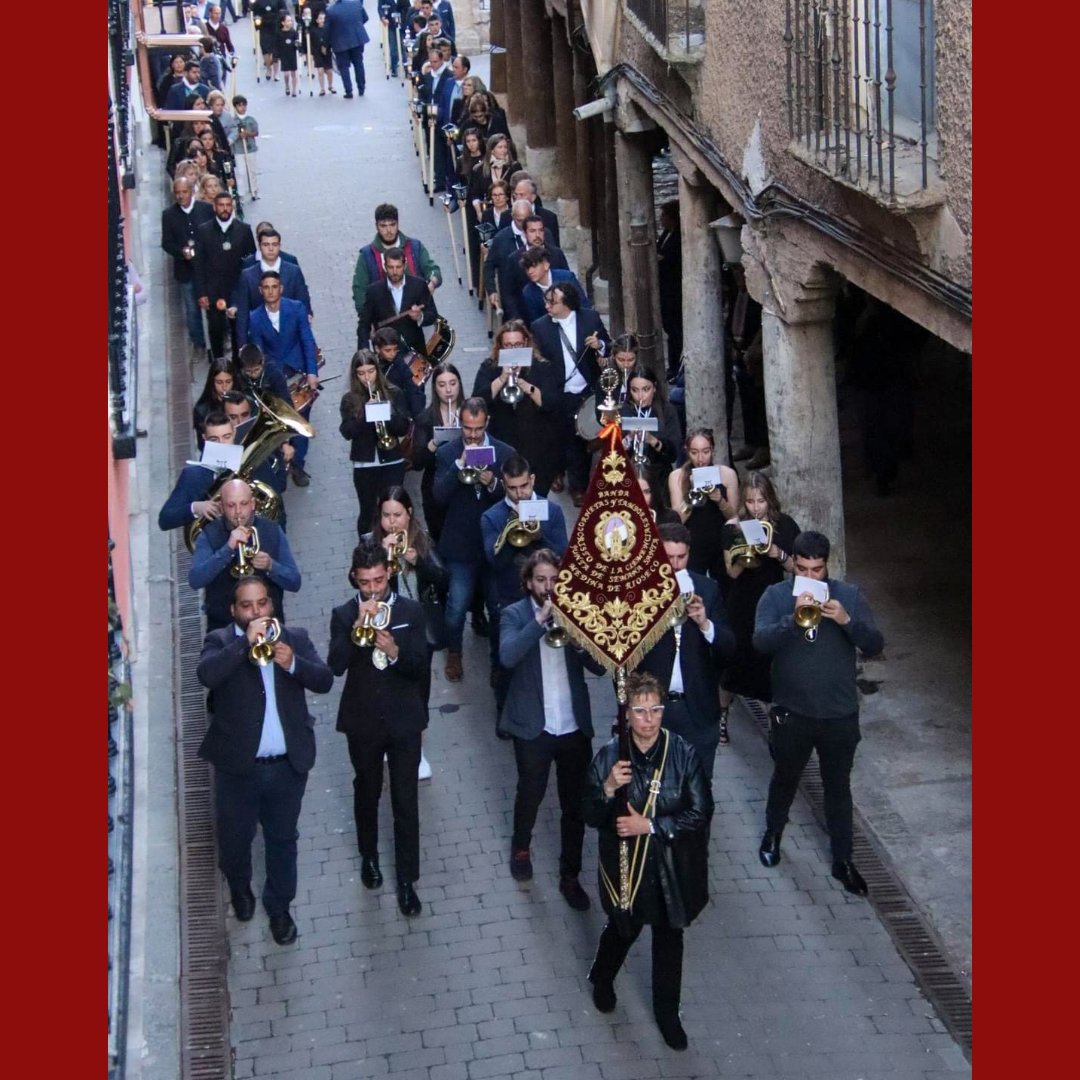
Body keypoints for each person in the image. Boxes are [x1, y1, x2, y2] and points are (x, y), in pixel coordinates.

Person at [196, 576, 333, 944]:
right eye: (247, 605)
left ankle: (279, 909)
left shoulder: (295, 638)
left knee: (283, 840)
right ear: (234, 610)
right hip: (238, 769)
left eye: (261, 604)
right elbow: (206, 674)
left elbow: (324, 680)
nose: (256, 612)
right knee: (235, 841)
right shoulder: (220, 641)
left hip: (287, 767)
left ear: (271, 605)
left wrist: (293, 665)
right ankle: (240, 887)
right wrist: (244, 647)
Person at [583, 670, 713, 1051]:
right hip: (628, 868)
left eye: (656, 709)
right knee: (623, 928)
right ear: (627, 716)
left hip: (672, 867)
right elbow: (589, 814)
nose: (649, 718)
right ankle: (603, 977)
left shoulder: (683, 753)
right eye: (640, 711)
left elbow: (701, 811)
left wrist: (651, 826)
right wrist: (607, 788)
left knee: (670, 939)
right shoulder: (610, 756)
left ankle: (667, 1012)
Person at [754, 531, 884, 895]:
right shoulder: (776, 596)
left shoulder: (848, 596)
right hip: (792, 712)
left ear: (827, 565)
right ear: (793, 565)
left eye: (818, 569)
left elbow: (874, 644)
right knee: (785, 778)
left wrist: (846, 621)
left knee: (838, 788)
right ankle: (773, 835)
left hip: (838, 713)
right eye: (803, 569)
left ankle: (843, 859)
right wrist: (792, 620)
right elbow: (760, 643)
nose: (811, 577)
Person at [498, 549, 605, 908]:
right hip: (534, 725)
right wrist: (540, 620)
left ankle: (570, 875)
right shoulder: (514, 614)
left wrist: (578, 639)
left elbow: (601, 667)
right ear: (529, 582)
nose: (549, 587)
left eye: (555, 580)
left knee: (574, 804)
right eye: (541, 580)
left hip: (572, 725)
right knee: (531, 792)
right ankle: (521, 847)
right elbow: (508, 655)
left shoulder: (577, 612)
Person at [328, 542, 428, 916]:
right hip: (364, 719)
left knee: (405, 800)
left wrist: (396, 651)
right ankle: (369, 856)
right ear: (355, 577)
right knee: (367, 790)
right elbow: (335, 665)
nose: (373, 589)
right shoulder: (342, 614)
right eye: (366, 582)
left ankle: (407, 880)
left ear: (389, 574)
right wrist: (357, 631)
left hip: (403, 719)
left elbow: (420, 665)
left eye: (379, 580)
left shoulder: (410, 611)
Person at [633, 522, 734, 785]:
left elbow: (729, 649)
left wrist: (704, 624)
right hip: (653, 710)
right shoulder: (639, 590)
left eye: (682, 557)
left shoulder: (707, 589)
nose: (676, 565)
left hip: (697, 710)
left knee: (698, 790)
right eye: (669, 558)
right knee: (652, 787)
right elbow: (623, 655)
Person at [433, 397, 514, 682]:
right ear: (460, 423)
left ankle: (496, 663)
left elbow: (514, 498)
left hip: (495, 547)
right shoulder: (447, 453)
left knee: (497, 608)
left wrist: (492, 482)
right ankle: (454, 653)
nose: (472, 435)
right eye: (468, 428)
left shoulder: (504, 453)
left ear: (487, 423)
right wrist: (459, 467)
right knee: (455, 608)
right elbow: (438, 498)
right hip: (461, 545)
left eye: (478, 429)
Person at [720, 471, 801, 738]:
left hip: (773, 598)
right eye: (751, 501)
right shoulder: (734, 526)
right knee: (735, 659)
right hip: (743, 600)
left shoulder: (785, 526)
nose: (756, 507)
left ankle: (775, 725)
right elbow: (731, 573)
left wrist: (777, 553)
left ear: (770, 501)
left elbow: (797, 568)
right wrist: (747, 551)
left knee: (770, 662)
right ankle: (722, 714)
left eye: (761, 501)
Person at [530, 283, 611, 506]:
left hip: (586, 390)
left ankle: (578, 486)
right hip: (560, 391)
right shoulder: (540, 327)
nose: (546, 305)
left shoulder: (590, 319)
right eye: (546, 301)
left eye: (551, 301)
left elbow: (609, 345)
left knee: (581, 439)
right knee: (562, 437)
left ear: (566, 303)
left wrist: (600, 345)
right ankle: (560, 472)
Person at [189, 478, 301, 631]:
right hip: (223, 629)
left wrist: (271, 566)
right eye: (231, 505)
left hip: (269, 625)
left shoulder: (272, 530)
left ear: (253, 503)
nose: (238, 512)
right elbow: (195, 580)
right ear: (221, 507)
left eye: (244, 504)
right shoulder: (209, 534)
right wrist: (227, 549)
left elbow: (295, 582)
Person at [246, 271, 320, 486]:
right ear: (261, 291)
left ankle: (298, 464)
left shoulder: (296, 308)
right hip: (275, 379)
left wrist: (312, 372)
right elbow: (259, 351)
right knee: (282, 423)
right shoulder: (254, 317)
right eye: (266, 287)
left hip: (299, 373)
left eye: (274, 286)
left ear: (281, 288)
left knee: (301, 421)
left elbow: (307, 340)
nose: (271, 291)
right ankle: (286, 458)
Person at [469, 321, 560, 492]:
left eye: (518, 345)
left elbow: (552, 403)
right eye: (508, 346)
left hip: (536, 450)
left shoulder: (542, 367)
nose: (513, 350)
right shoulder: (490, 367)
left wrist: (529, 388)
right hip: (503, 445)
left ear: (526, 343)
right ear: (501, 347)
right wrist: (502, 378)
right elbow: (477, 402)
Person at [339, 350, 411, 536]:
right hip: (365, 463)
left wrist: (385, 413)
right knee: (368, 511)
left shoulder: (394, 393)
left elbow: (403, 428)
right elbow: (346, 432)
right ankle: (368, 549)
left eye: (370, 371)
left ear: (377, 371)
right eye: (361, 373)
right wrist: (365, 414)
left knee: (393, 507)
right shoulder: (349, 399)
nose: (367, 378)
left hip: (392, 460)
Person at [668, 428, 740, 585]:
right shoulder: (677, 477)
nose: (701, 459)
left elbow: (734, 518)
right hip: (692, 543)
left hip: (720, 543)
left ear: (713, 450)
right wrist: (693, 496)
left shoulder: (727, 474)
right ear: (687, 452)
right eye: (694, 452)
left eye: (706, 452)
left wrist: (720, 500)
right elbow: (677, 519)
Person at [192, 191, 256, 361]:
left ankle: (238, 364)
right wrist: (201, 293)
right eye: (221, 205)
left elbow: (251, 261)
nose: (225, 209)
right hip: (213, 291)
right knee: (216, 330)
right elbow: (198, 264)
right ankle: (218, 363)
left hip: (237, 289)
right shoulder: (203, 231)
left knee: (239, 330)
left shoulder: (244, 230)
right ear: (214, 207)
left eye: (228, 205)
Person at [351, 204, 442, 317]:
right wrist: (366, 320)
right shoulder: (367, 255)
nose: (389, 231)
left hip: (417, 316)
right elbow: (359, 291)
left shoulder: (415, 247)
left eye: (392, 225)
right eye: (383, 226)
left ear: (398, 224)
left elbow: (433, 270)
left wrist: (432, 283)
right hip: (385, 321)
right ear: (376, 226)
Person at [161, 175, 215, 356]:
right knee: (192, 310)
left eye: (184, 192)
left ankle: (218, 340)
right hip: (186, 270)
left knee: (214, 304)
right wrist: (181, 252)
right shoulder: (168, 215)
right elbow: (166, 243)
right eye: (177, 193)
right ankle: (198, 343)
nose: (181, 196)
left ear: (191, 191)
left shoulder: (206, 209)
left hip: (208, 267)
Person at [410, 361, 464, 542]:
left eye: (453, 383)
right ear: (435, 388)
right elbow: (417, 462)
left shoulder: (470, 413)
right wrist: (436, 440)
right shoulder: (426, 418)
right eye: (442, 385)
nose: (448, 390)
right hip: (435, 487)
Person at [233, 228, 313, 346]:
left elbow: (303, 301)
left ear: (279, 246)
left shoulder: (293, 271)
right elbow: (243, 314)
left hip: (291, 340)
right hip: (262, 342)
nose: (271, 249)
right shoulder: (247, 276)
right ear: (259, 247)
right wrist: (242, 346)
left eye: (274, 244)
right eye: (266, 244)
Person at [158, 410, 235, 533]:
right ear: (204, 439)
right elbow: (165, 519)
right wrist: (196, 507)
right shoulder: (193, 476)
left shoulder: (252, 463)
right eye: (214, 439)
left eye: (226, 437)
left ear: (234, 434)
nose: (222, 444)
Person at [357, 247, 438, 357]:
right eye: (391, 267)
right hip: (386, 355)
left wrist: (420, 317)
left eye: (398, 267)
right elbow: (363, 325)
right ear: (385, 267)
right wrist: (364, 354)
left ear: (404, 266)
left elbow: (432, 314)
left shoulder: (418, 285)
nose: (395, 272)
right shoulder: (373, 291)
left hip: (415, 353)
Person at [620, 364, 682, 490]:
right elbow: (614, 451)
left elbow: (674, 454)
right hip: (629, 474)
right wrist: (627, 441)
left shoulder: (667, 410)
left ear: (654, 388)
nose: (640, 396)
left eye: (646, 389)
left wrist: (653, 441)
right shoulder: (625, 410)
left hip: (659, 476)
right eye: (634, 390)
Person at [519, 246, 589, 326]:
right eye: (527, 268)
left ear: (546, 265)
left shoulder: (567, 278)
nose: (530, 271)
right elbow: (535, 321)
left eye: (534, 266)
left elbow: (583, 305)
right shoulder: (528, 292)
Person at [656, 200, 683, 376]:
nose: (661, 219)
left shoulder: (678, 236)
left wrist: (661, 259)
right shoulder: (667, 233)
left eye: (664, 215)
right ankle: (672, 367)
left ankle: (675, 368)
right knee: (670, 330)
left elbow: (672, 259)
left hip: (674, 291)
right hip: (665, 290)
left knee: (675, 332)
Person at [324, 0, 370, 99]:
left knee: (344, 67)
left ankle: (348, 90)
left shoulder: (330, 11)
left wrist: (325, 44)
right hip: (357, 38)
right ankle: (361, 88)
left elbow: (327, 29)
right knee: (358, 63)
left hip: (340, 41)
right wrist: (356, 26)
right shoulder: (356, 4)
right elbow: (365, 18)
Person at [193, 358, 236, 446]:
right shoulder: (201, 410)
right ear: (212, 382)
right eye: (219, 382)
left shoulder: (243, 402)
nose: (224, 387)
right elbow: (202, 445)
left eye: (228, 382)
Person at [230, 95, 259, 201]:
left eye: (244, 105)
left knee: (252, 170)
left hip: (250, 148)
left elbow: (256, 132)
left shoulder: (251, 120)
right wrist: (238, 135)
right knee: (241, 172)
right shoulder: (233, 121)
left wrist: (248, 134)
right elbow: (232, 134)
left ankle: (254, 189)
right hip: (238, 150)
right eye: (239, 105)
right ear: (235, 107)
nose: (242, 108)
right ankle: (241, 192)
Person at [253, 0, 287, 80]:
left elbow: (284, 11)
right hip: (264, 27)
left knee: (276, 50)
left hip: (276, 26)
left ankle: (276, 73)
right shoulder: (258, 2)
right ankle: (269, 69)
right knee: (265, 48)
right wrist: (257, 21)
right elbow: (256, 14)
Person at [309, 9, 336, 94]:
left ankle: (330, 86)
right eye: (320, 18)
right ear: (317, 20)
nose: (322, 20)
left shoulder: (328, 30)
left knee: (329, 71)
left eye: (324, 18)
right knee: (320, 71)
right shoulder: (313, 30)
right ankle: (322, 88)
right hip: (317, 53)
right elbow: (310, 41)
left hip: (327, 52)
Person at [276, 13, 301, 96]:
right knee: (286, 74)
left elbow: (297, 42)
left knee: (293, 73)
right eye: (288, 21)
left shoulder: (293, 32)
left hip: (292, 54)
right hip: (284, 54)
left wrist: (297, 44)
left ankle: (294, 90)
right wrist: (277, 55)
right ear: (283, 23)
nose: (290, 22)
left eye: (291, 21)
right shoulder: (279, 33)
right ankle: (287, 85)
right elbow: (277, 44)